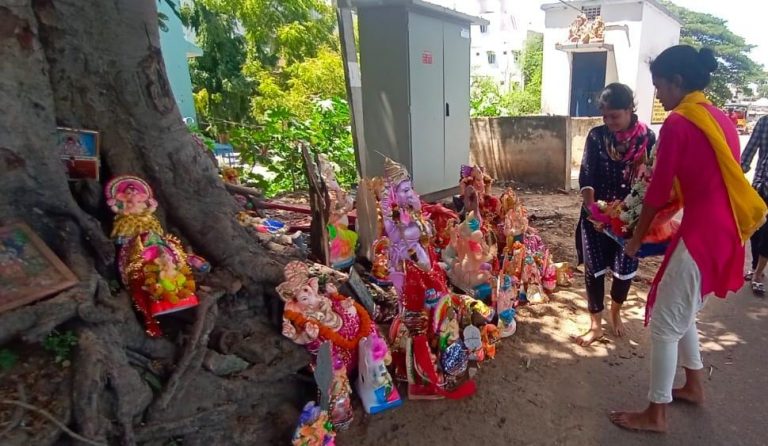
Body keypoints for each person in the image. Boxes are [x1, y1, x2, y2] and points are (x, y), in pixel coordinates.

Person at [610, 45, 767, 432]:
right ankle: (694, 385)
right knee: (681, 313)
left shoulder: (681, 122)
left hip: (703, 233)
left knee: (665, 321)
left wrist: (635, 238)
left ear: (678, 82)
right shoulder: (718, 117)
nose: (659, 97)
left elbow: (659, 189)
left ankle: (656, 413)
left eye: (660, 87)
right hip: (722, 230)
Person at [575, 83, 656, 346]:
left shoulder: (648, 139)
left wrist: (635, 215)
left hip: (630, 219)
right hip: (596, 216)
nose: (609, 122)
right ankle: (595, 324)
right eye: (605, 116)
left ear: (630, 109)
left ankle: (615, 311)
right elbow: (587, 174)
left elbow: (650, 180)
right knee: (594, 270)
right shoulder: (597, 137)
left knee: (625, 269)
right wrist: (593, 210)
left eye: (615, 116)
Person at [741, 115, 768, 296]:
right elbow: (749, 152)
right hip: (760, 186)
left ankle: (758, 273)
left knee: (767, 234)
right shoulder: (764, 122)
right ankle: (754, 266)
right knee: (756, 230)